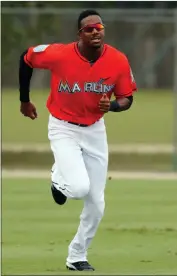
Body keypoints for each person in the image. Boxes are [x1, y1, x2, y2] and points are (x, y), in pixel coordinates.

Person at [19, 9, 137, 271]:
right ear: (79, 34)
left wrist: (114, 107)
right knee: (79, 188)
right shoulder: (60, 54)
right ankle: (57, 177)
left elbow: (127, 98)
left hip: (95, 129)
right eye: (89, 29)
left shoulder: (117, 60)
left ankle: (76, 255)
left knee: (97, 203)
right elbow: (26, 58)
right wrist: (24, 100)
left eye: (99, 27)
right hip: (63, 127)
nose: (96, 32)